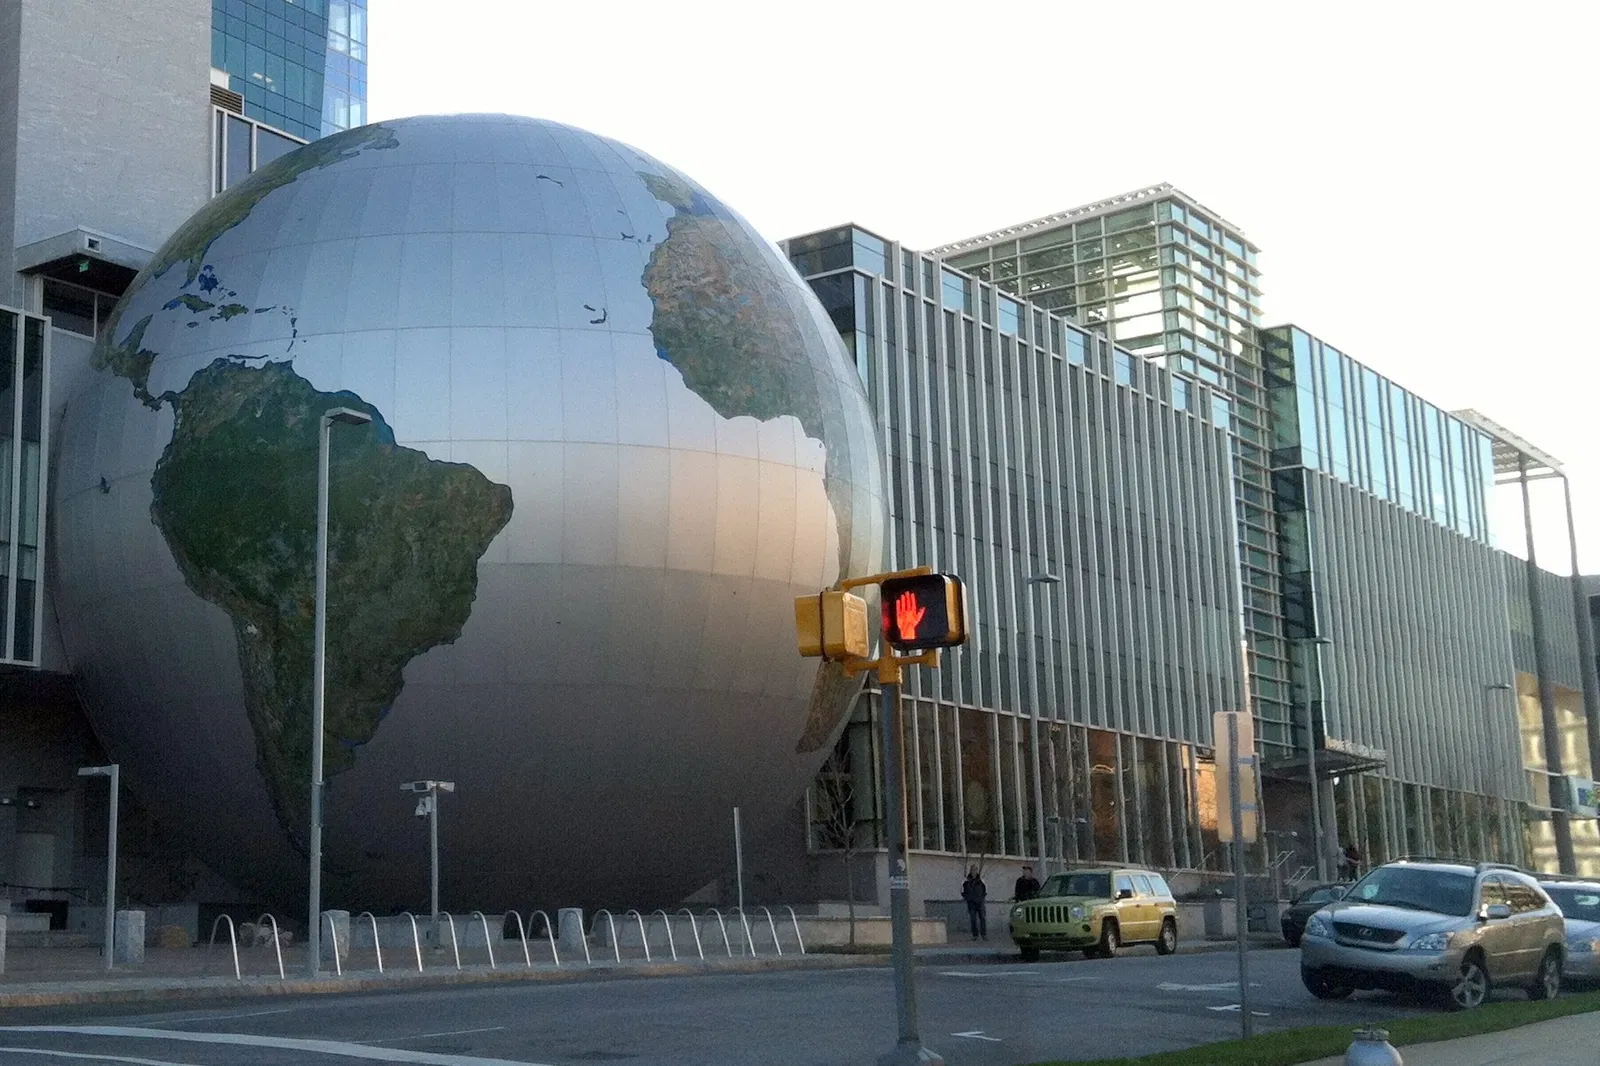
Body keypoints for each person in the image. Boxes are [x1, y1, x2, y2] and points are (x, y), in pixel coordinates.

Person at [961, 865, 988, 940]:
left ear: (977, 871)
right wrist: (967, 898)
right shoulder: (965, 881)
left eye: (975, 870)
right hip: (971, 903)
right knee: (973, 919)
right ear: (970, 870)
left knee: (982, 918)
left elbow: (985, 891)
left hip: (980, 903)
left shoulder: (981, 880)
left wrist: (981, 899)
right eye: (972, 870)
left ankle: (984, 935)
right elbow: (962, 891)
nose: (974, 872)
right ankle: (975, 935)